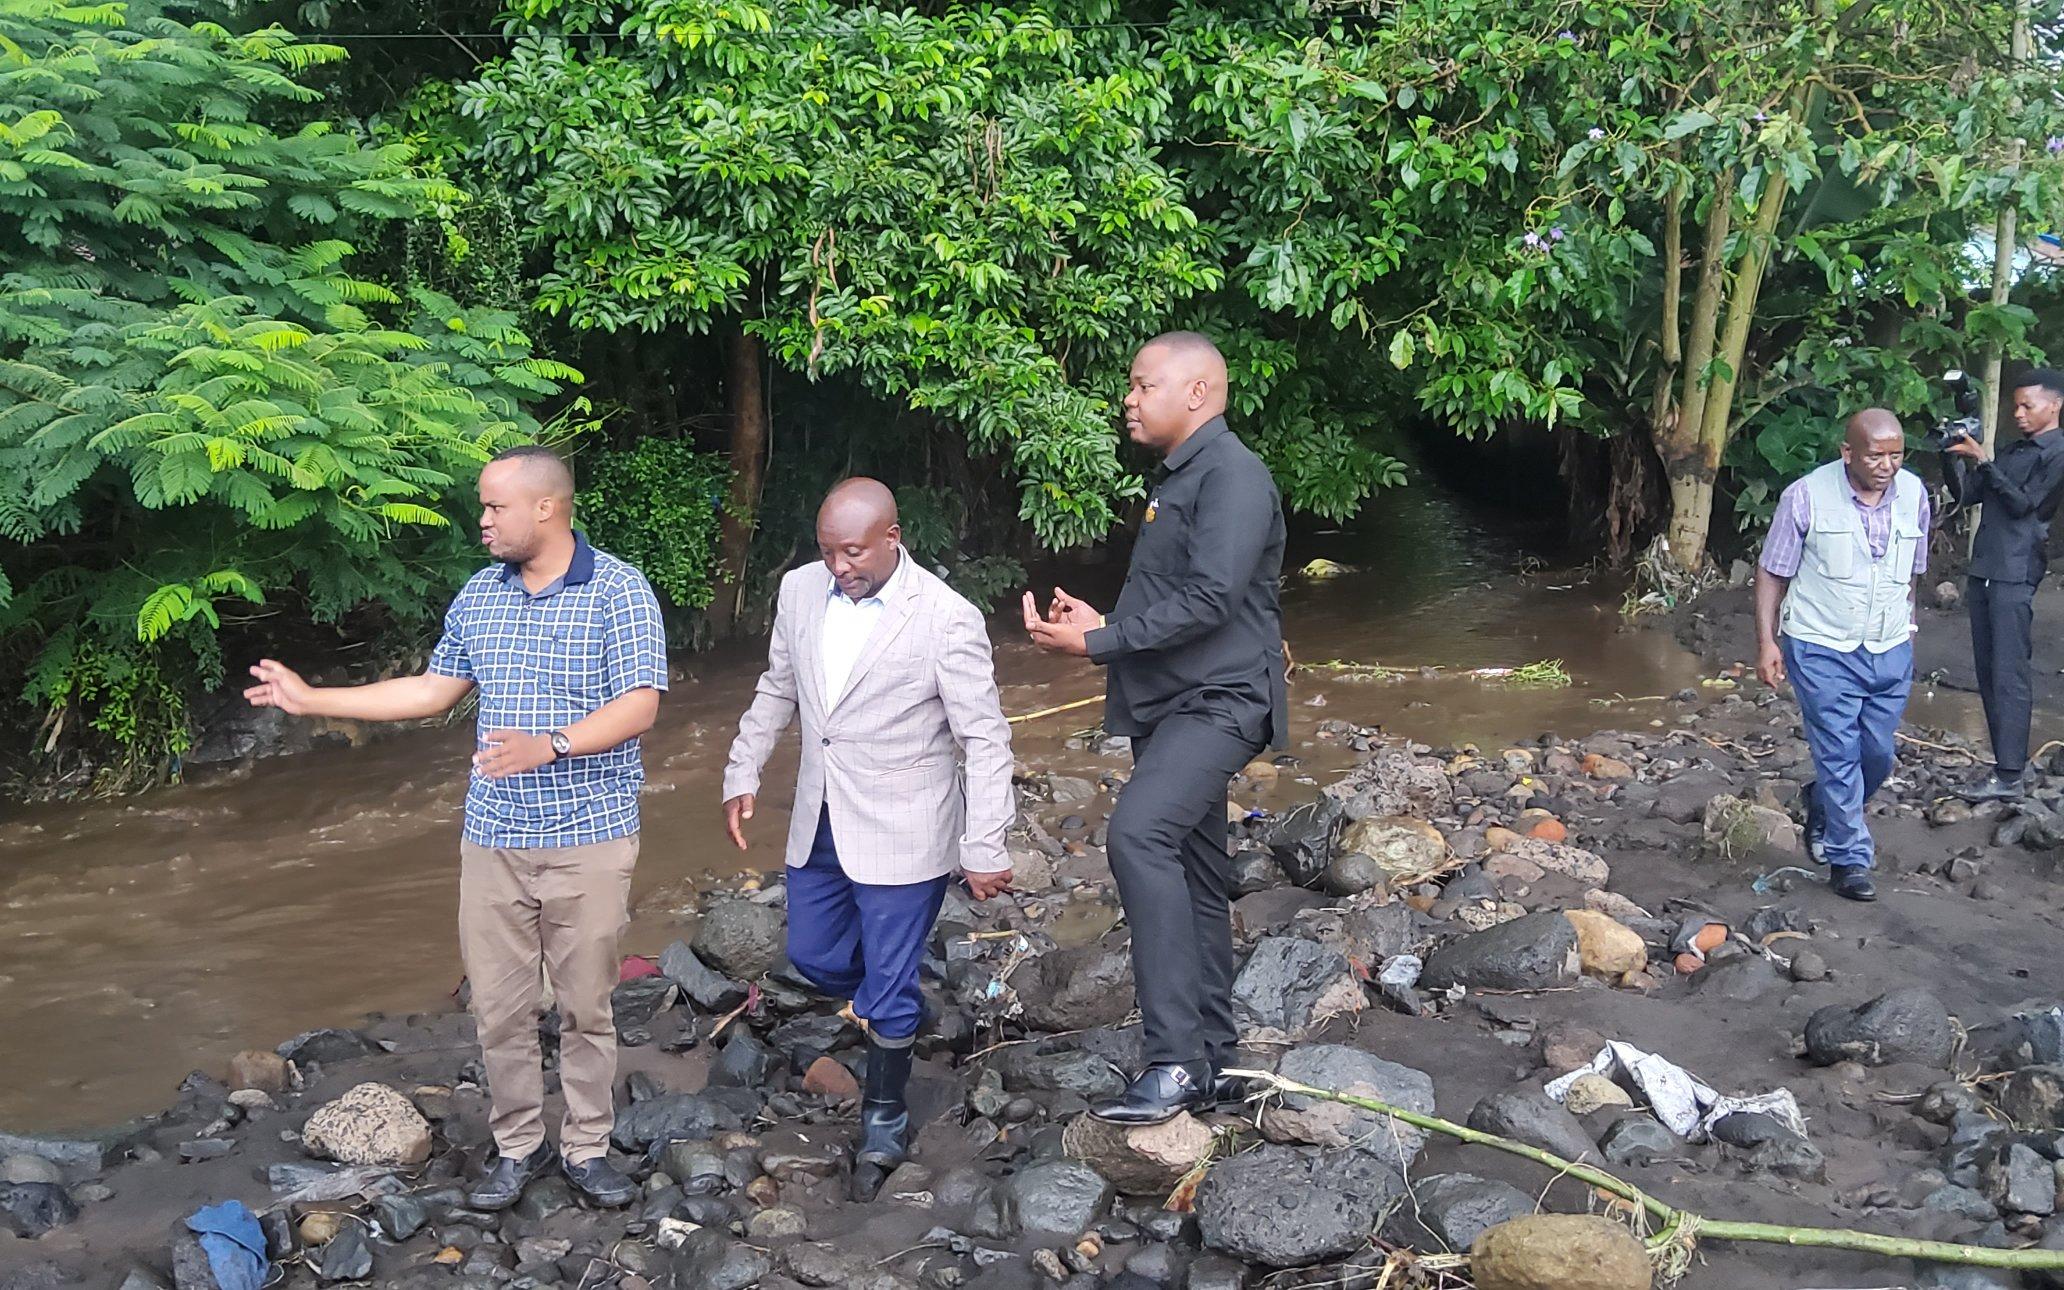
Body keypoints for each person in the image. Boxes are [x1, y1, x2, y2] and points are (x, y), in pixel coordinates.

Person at [244, 445, 666, 1209]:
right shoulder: (480, 595)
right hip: (494, 840)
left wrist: (553, 743)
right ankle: (519, 1146)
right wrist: (313, 700)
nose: (483, 520)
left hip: (590, 837)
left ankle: (587, 1146)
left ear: (546, 507)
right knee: (499, 1009)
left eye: (495, 506)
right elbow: (434, 690)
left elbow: (641, 703)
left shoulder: (619, 591)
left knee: (586, 1007)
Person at [722, 478, 1015, 1201]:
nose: (839, 566)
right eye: (827, 551)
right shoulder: (798, 591)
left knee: (884, 985)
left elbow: (984, 738)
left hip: (907, 825)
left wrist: (985, 843)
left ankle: (884, 1115)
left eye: (852, 551)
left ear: (893, 537)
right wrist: (742, 768)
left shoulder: (945, 618)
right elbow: (777, 688)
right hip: (821, 814)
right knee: (813, 955)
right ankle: (896, 1002)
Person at [1024, 331, 1286, 1124]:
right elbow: (1189, 597)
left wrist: (1099, 641)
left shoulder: (1233, 476)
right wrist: (1105, 622)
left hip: (1220, 703)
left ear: (1197, 392)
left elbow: (1212, 598)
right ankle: (1214, 1059)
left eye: (1142, 386)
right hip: (1176, 703)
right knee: (1199, 872)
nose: (1129, 400)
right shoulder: (1181, 478)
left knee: (1136, 837)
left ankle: (1172, 1062)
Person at [1754, 410, 1927, 903]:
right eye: (1875, 455)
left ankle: (1823, 804)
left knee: (1878, 755)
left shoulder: (1915, 493)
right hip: (1820, 645)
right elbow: (1772, 573)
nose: (1887, 466)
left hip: (1889, 646)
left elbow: (1913, 575)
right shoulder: (1806, 495)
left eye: (1896, 455)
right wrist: (1767, 643)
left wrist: (1909, 631)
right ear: (1847, 452)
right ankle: (1849, 858)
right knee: (1839, 752)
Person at [1944, 368, 2064, 801]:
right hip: (1985, 570)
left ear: (2056, 405)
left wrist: (1984, 460)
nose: (2019, 413)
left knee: (2009, 673)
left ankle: (2011, 774)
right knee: (1988, 671)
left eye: (2027, 405)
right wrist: (1952, 453)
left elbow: (2023, 504)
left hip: (2015, 571)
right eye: (2015, 405)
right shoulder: (2016, 450)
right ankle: (2004, 768)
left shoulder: (2057, 452)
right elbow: (1967, 494)